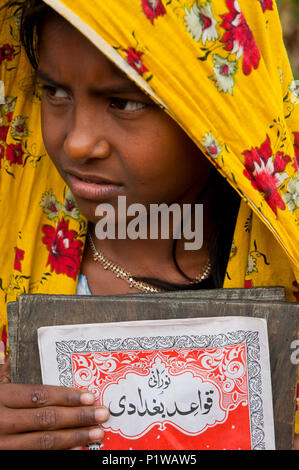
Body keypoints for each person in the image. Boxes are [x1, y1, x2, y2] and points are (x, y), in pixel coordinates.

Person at [0, 0, 298, 450]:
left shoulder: (287, 275)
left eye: (124, 102)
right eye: (55, 92)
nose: (78, 141)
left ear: (219, 109)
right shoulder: (11, 247)